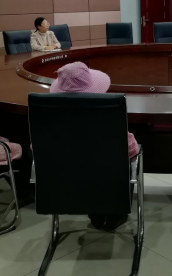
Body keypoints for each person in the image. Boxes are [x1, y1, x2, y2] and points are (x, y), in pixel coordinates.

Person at [50, 61, 138, 230]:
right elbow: (129, 148)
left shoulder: (50, 115)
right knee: (122, 160)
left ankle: (94, 212)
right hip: (106, 173)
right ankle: (116, 213)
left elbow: (39, 148)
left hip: (67, 174)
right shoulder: (107, 113)